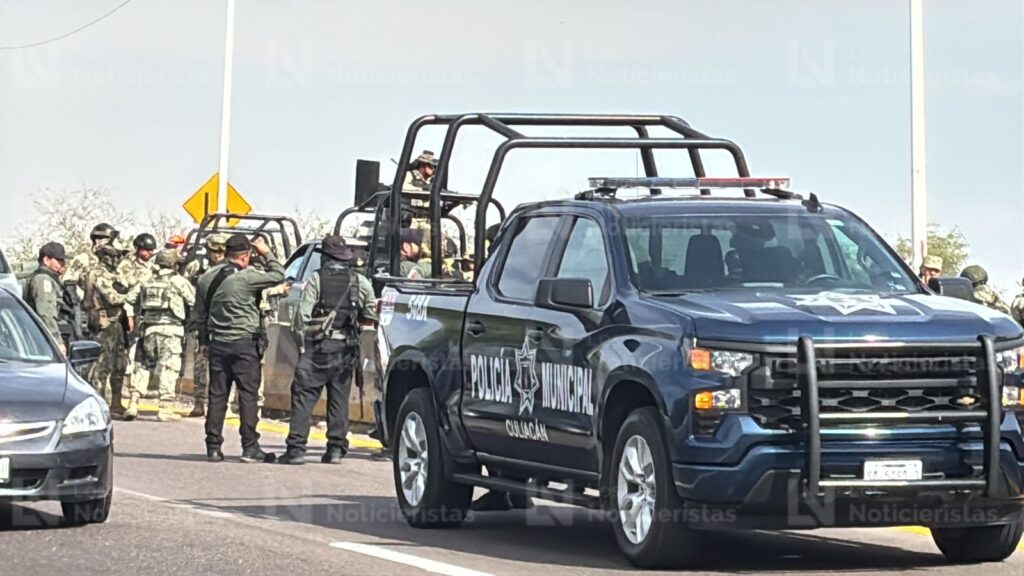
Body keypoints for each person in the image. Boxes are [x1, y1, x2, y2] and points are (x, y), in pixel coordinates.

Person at [278, 236, 377, 465]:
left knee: (304, 396)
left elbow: (300, 317)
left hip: (318, 348)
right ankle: (335, 449)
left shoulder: (316, 279)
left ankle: (296, 449)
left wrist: (301, 343)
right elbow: (371, 312)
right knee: (339, 400)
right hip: (346, 348)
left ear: (325, 257)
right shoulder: (359, 281)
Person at [193, 235, 284, 463]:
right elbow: (278, 275)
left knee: (217, 396)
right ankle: (249, 447)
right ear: (244, 256)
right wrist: (266, 252)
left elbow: (200, 315)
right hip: (244, 344)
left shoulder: (206, 278)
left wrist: (204, 341)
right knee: (248, 396)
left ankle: (213, 446)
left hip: (217, 343)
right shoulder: (247, 277)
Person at [123, 250, 196, 422]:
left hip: (148, 329)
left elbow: (129, 299)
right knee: (169, 367)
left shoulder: (147, 280)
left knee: (143, 365)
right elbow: (194, 302)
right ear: (174, 265)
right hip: (172, 330)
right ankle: (164, 408)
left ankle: (133, 404)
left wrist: (131, 319)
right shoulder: (178, 281)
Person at [83, 239, 132, 414]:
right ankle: (99, 404)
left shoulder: (115, 274)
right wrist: (132, 294)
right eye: (116, 255)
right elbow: (113, 298)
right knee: (102, 365)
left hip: (117, 323)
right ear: (106, 257)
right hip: (104, 324)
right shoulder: (98, 274)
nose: (119, 259)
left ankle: (116, 403)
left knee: (120, 363)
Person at [183, 233, 229, 417]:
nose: (217, 254)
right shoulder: (197, 267)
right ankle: (199, 402)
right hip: (201, 319)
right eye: (214, 250)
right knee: (201, 364)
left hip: (222, 321)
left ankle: (220, 404)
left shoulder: (230, 270)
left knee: (224, 366)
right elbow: (184, 286)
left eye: (221, 250)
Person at [23, 242, 75, 355]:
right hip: (46, 340)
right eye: (59, 260)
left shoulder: (52, 279)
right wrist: (57, 341)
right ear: (47, 260)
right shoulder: (43, 280)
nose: (63, 264)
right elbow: (46, 313)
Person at [64, 223, 119, 297]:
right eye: (108, 241)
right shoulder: (83, 259)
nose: (110, 245)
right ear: (96, 240)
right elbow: (69, 283)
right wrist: (81, 300)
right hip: (85, 304)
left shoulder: (113, 262)